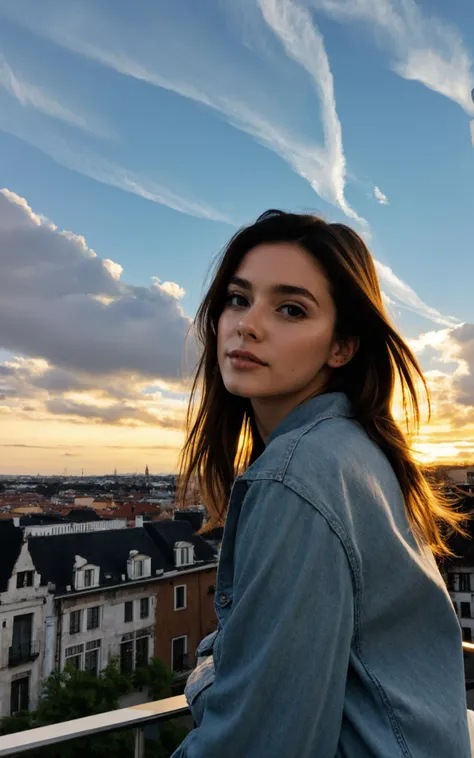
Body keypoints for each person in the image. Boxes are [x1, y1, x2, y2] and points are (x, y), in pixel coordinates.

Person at [171, 210, 470, 757]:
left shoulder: (296, 475)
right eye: (238, 299)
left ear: (342, 347)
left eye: (290, 309)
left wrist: (207, 681)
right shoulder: (357, 449)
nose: (248, 324)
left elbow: (258, 746)